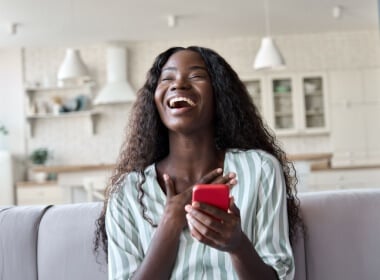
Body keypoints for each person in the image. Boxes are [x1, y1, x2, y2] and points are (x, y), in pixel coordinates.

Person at [95, 46, 302, 280]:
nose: (178, 84)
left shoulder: (260, 169)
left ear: (219, 94)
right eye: (167, 78)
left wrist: (237, 245)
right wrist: (170, 224)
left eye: (196, 76)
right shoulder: (128, 192)